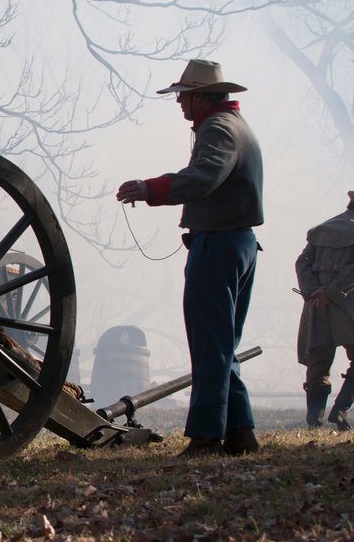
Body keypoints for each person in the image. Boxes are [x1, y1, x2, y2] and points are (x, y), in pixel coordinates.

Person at [115, 59, 263, 457]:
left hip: (218, 245)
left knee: (209, 344)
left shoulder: (218, 129)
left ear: (202, 97)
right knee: (222, 344)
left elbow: (204, 177)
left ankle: (205, 437)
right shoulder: (231, 126)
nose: (180, 104)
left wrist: (151, 188)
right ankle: (241, 432)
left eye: (184, 96)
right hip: (234, 242)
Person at [295, 191, 354, 432]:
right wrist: (332, 292)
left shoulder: (322, 229)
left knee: (317, 365)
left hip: (317, 306)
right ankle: (339, 411)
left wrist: (313, 292)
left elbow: (302, 262)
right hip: (347, 305)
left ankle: (314, 422)